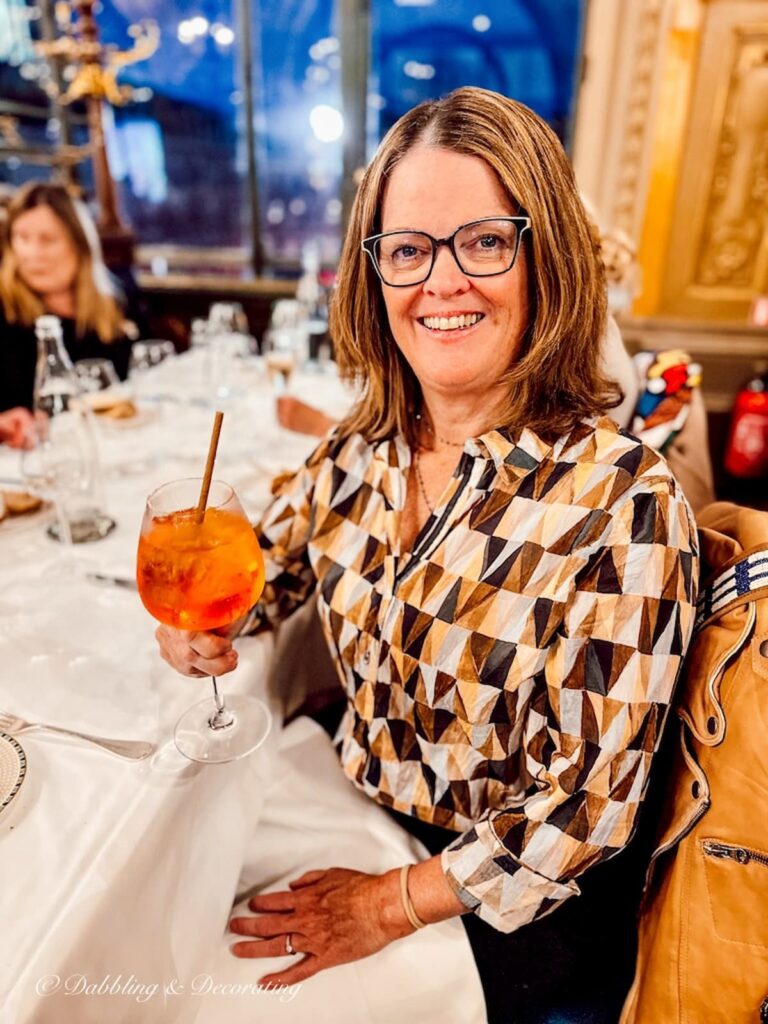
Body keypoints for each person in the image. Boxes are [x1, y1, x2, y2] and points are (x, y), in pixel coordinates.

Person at [155, 87, 699, 1024]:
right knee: (159, 917)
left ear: (547, 257)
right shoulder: (363, 447)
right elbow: (259, 574)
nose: (440, 282)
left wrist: (385, 903)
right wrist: (197, 629)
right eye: (407, 250)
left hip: (505, 908)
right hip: (353, 807)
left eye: (484, 241)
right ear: (374, 275)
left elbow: (586, 814)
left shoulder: (625, 503)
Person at [0, 182, 137, 413]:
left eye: (48, 240)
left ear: (80, 244)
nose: (32, 253)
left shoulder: (115, 300)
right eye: (22, 238)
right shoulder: (4, 310)